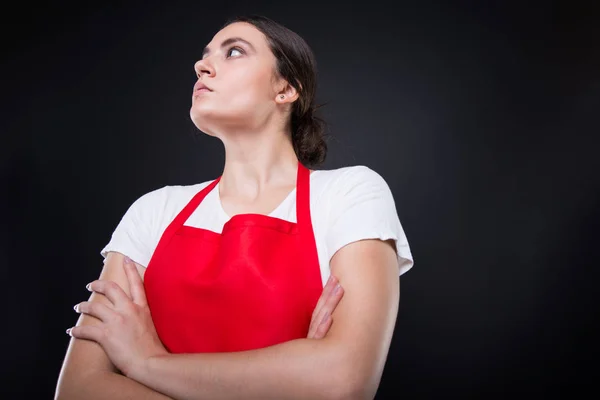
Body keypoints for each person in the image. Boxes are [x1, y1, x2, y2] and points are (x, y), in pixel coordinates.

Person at [55, 14, 413, 400]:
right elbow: (79, 388)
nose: (202, 65)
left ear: (286, 89)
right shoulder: (153, 211)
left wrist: (146, 363)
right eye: (205, 56)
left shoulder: (350, 194)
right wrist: (290, 380)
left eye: (234, 52)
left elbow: (344, 379)